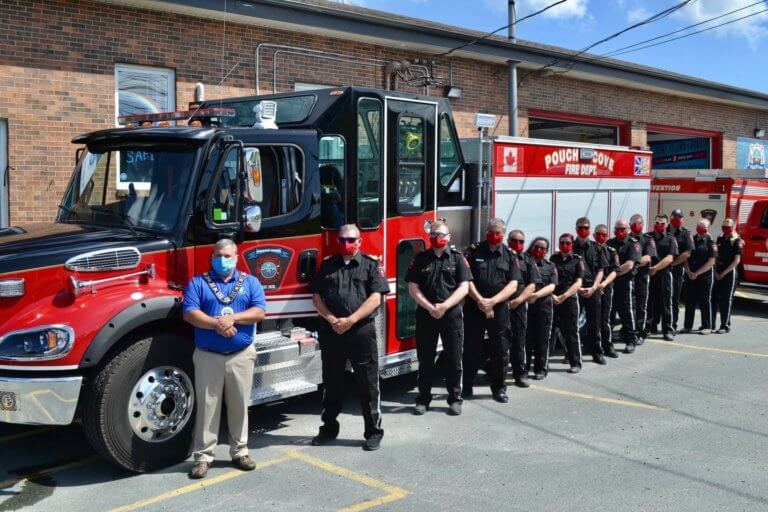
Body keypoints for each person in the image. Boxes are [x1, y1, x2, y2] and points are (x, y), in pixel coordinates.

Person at [183, 239, 267, 479]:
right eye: (219, 255)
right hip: (208, 357)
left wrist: (234, 319)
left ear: (237, 257)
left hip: (241, 356)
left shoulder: (250, 282)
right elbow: (190, 313)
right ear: (211, 257)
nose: (223, 260)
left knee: (240, 405)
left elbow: (259, 312)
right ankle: (203, 457)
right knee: (207, 408)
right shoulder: (198, 283)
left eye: (228, 256)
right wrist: (218, 324)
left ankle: (240, 452)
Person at [309, 224, 390, 451]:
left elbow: (376, 298)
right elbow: (316, 297)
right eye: (342, 239)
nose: (346, 243)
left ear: (360, 241)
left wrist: (350, 320)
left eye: (351, 239)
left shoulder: (371, 265)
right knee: (332, 383)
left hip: (361, 332)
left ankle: (373, 432)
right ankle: (328, 429)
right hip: (332, 331)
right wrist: (332, 319)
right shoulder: (327, 265)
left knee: (368, 383)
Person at [407, 220, 471, 416]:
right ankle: (423, 399)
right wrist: (429, 307)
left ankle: (454, 399)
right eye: (434, 234)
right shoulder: (420, 259)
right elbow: (412, 287)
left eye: (442, 234)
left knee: (453, 358)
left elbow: (464, 287)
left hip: (451, 315)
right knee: (425, 359)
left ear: (449, 237)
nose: (437, 237)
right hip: (426, 315)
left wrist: (444, 306)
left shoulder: (458, 259)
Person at [463, 219, 520, 402]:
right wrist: (480, 301)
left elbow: (513, 284)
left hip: (500, 308)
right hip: (474, 306)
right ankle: (466, 386)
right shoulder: (474, 251)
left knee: (501, 349)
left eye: (496, 232)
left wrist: (492, 302)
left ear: (503, 234)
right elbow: (466, 279)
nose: (492, 235)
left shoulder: (510, 255)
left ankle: (499, 389)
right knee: (471, 348)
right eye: (489, 231)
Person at [507, 229, 540, 387]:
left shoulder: (528, 260)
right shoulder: (502, 256)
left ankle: (520, 374)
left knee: (519, 340)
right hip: (499, 305)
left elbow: (532, 285)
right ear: (508, 241)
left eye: (521, 241)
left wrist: (518, 300)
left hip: (518, 306)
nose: (518, 244)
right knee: (498, 341)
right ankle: (494, 373)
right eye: (514, 240)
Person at [573, 217, 608, 365]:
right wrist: (578, 288)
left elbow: (601, 270)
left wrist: (594, 287)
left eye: (586, 227)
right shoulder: (569, 247)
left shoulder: (597, 248)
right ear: (576, 229)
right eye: (580, 227)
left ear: (589, 229)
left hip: (592, 288)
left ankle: (596, 352)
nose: (583, 230)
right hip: (575, 289)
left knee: (595, 323)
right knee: (574, 323)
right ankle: (574, 354)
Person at [550, 233, 585, 373]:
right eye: (562, 242)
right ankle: (541, 365)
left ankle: (575, 362)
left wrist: (564, 296)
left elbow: (578, 283)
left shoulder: (577, 260)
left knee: (571, 332)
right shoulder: (553, 259)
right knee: (549, 332)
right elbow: (548, 278)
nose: (565, 245)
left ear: (572, 244)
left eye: (568, 243)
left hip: (569, 299)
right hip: (552, 299)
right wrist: (552, 295)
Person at [607, 219, 642, 353]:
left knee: (627, 313)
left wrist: (612, 274)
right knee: (609, 313)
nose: (619, 232)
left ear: (628, 229)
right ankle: (607, 343)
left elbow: (629, 265)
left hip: (625, 283)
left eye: (622, 229)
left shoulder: (633, 244)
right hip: (611, 284)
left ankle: (631, 341)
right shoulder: (610, 243)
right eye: (617, 229)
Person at [525, 237, 557, 380]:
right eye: (536, 247)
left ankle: (541, 369)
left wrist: (536, 295)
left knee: (542, 340)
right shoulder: (524, 262)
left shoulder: (550, 266)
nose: (539, 250)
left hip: (543, 307)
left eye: (543, 248)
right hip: (525, 307)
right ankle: (523, 368)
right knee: (526, 340)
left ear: (546, 251)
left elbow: (552, 286)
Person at [681, 218, 717, 334]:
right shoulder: (692, 239)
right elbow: (686, 256)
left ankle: (707, 326)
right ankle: (687, 326)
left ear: (708, 228)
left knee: (705, 301)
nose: (701, 228)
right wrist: (688, 271)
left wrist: (696, 273)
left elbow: (711, 262)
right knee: (689, 301)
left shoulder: (711, 242)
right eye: (699, 225)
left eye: (704, 226)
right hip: (690, 275)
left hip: (704, 276)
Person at [647, 214, 679, 341]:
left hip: (664, 275)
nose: (660, 225)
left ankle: (667, 330)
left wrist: (655, 268)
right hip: (649, 275)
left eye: (663, 223)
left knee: (666, 304)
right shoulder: (647, 237)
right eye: (657, 223)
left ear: (667, 225)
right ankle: (648, 328)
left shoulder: (671, 239)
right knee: (649, 302)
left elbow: (670, 258)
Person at [630, 214, 657, 345]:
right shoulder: (626, 239)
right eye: (633, 223)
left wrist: (632, 263)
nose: (636, 225)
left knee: (641, 305)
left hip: (641, 277)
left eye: (639, 222)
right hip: (627, 277)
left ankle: (640, 332)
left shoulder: (647, 239)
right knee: (629, 306)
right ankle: (629, 330)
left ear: (643, 224)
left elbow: (647, 258)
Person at [712, 218, 743, 334]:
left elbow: (737, 261)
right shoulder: (720, 239)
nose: (725, 228)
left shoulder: (737, 241)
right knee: (713, 298)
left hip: (729, 272)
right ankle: (711, 324)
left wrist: (723, 273)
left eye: (728, 226)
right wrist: (715, 271)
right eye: (724, 226)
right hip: (718, 270)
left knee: (726, 299)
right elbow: (715, 256)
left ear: (733, 227)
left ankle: (725, 325)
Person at [594, 224, 621, 358]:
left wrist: (603, 284)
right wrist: (595, 286)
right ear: (594, 235)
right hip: (591, 288)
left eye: (604, 234)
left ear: (607, 236)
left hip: (606, 288)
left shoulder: (611, 251)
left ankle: (607, 346)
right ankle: (591, 346)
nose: (601, 237)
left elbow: (615, 271)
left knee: (605, 319)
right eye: (598, 234)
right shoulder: (589, 249)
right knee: (591, 319)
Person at [668, 209, 695, 333]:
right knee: (659, 298)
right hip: (662, 270)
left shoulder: (685, 233)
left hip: (676, 271)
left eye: (680, 217)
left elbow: (687, 253)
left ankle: (672, 325)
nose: (678, 219)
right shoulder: (664, 230)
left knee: (674, 299)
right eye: (676, 217)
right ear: (671, 218)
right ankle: (655, 323)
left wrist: (672, 263)